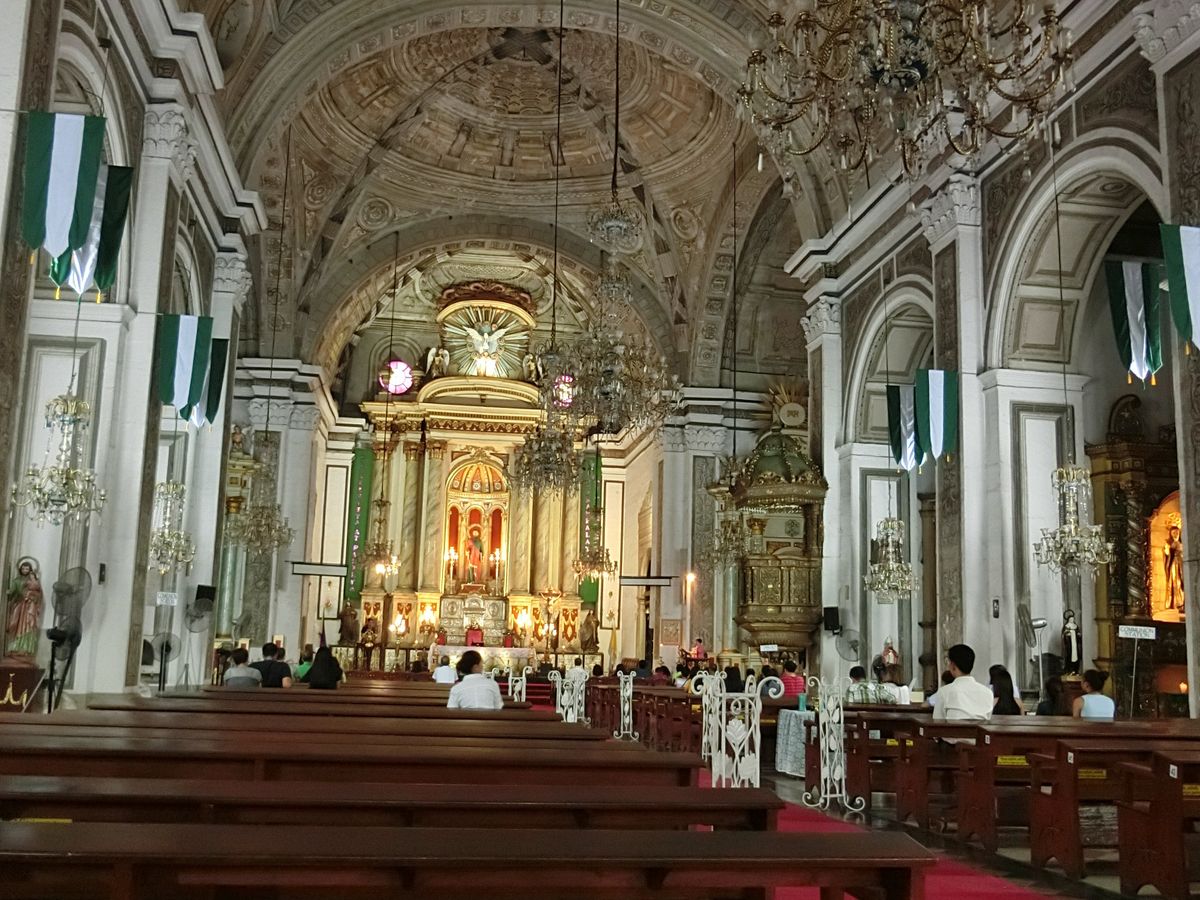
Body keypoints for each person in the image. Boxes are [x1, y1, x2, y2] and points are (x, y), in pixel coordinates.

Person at [932, 644, 994, 721]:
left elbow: (938, 722)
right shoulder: (988, 693)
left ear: (953, 665)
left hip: (952, 729)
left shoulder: (944, 692)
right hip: (979, 729)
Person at [4, 557, 43, 660]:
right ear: (20, 569)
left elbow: (39, 594)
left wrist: (32, 597)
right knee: (17, 626)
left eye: (27, 569)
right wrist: (10, 592)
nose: (25, 570)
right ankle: (16, 647)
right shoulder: (17, 580)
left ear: (30, 570)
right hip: (20, 606)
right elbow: (13, 591)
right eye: (23, 568)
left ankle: (26, 648)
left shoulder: (33, 580)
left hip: (29, 608)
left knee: (28, 626)